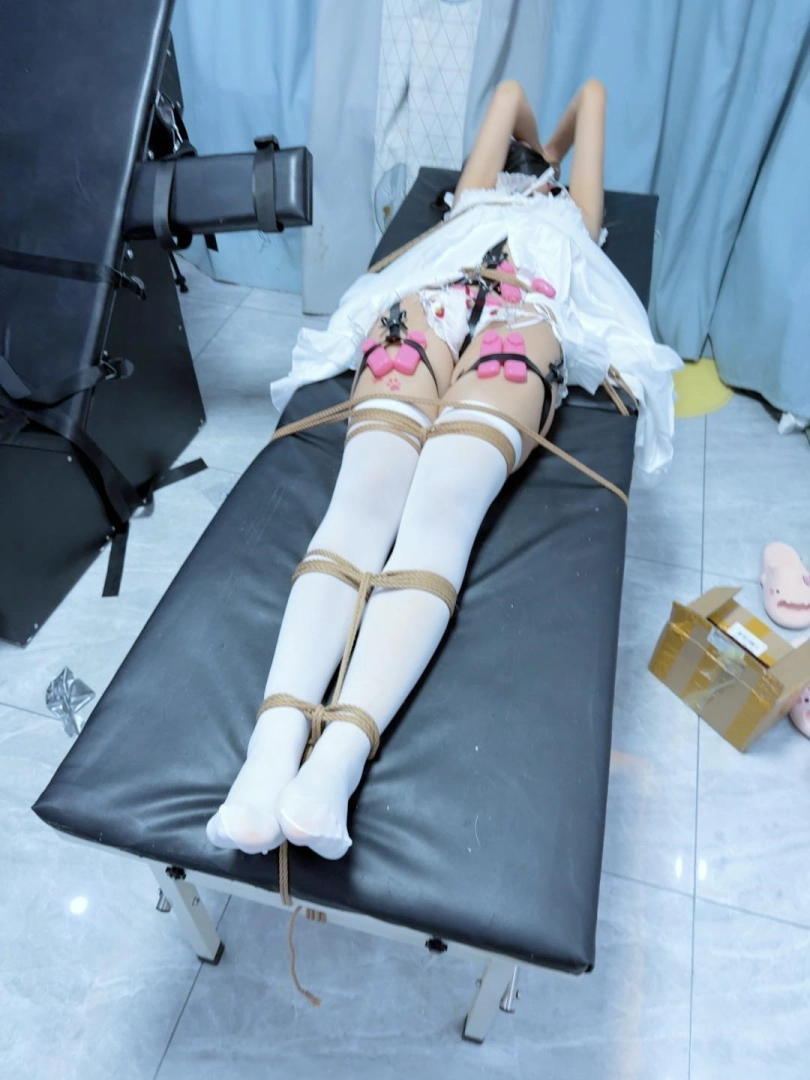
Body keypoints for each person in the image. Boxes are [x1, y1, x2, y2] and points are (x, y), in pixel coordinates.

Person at [207, 79, 681, 860]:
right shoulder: (473, 200)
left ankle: (333, 763)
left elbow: (594, 97)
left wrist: (548, 160)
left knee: (442, 503)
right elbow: (518, 94)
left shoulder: (576, 222)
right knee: (365, 497)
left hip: (523, 317)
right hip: (430, 303)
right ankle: (269, 758)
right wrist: (542, 156)